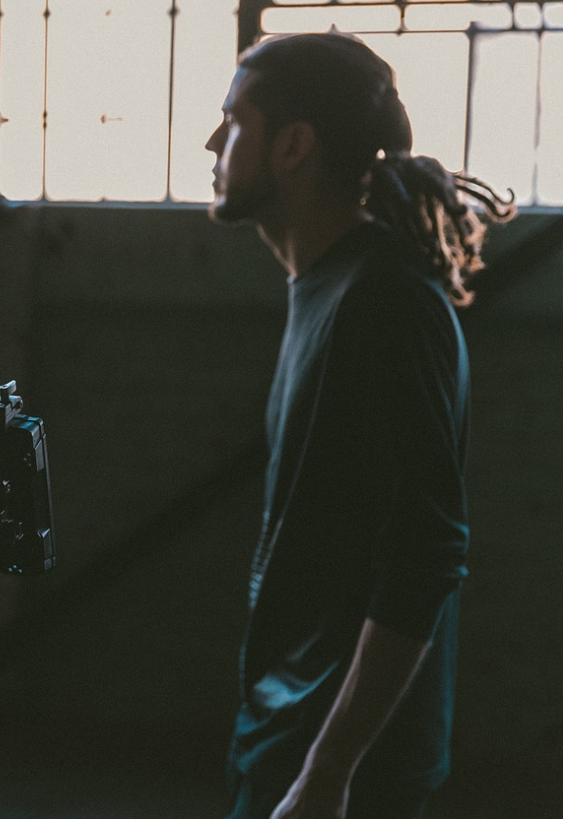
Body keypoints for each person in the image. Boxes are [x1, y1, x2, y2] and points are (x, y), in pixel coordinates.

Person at [204, 32, 512, 819]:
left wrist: (330, 769)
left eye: (234, 121)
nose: (213, 141)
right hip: (286, 727)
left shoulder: (386, 301)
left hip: (344, 766)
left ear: (294, 146)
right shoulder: (329, 285)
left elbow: (427, 553)